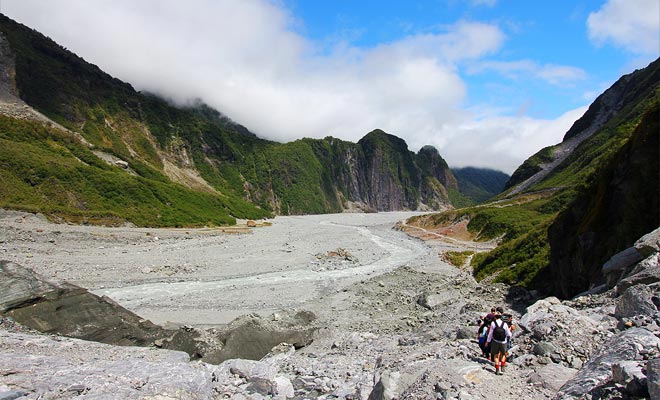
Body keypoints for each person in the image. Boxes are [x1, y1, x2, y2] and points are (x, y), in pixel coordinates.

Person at [486, 307, 511, 375]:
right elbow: (509, 334)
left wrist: (487, 341)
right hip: (503, 342)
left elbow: (490, 333)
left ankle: (497, 369)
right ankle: (502, 366)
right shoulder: (505, 324)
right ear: (501, 316)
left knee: (496, 355)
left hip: (495, 341)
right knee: (503, 354)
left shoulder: (493, 323)